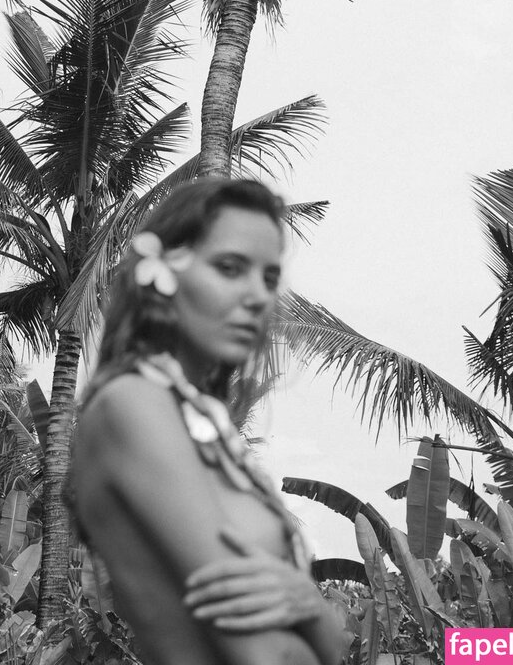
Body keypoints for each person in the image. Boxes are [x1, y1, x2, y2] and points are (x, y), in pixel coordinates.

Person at [70, 177, 344, 665]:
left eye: (269, 278)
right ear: (163, 273)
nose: (258, 297)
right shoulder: (133, 404)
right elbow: (255, 645)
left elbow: (329, 644)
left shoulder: (193, 415)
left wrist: (309, 605)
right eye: (229, 268)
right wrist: (313, 618)